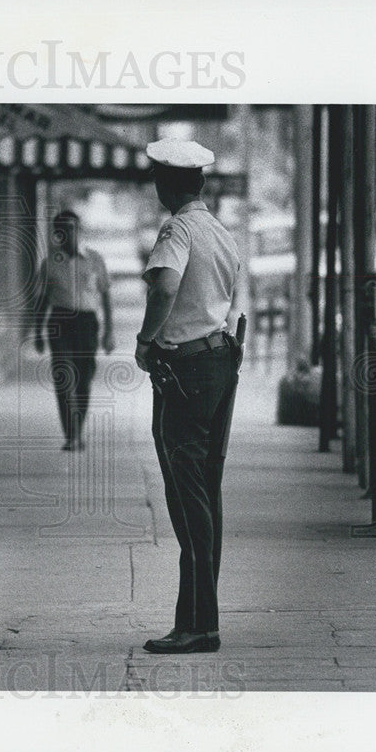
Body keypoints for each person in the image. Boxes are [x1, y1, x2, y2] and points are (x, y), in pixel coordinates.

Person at [134, 139, 242, 654]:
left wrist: (146, 339)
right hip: (220, 360)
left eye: (158, 178)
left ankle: (199, 623)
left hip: (187, 370)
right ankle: (200, 617)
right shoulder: (218, 230)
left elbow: (165, 287)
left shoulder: (177, 228)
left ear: (170, 184)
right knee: (206, 492)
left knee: (188, 498)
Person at [34, 210, 115, 451]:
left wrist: (109, 331)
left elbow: (106, 295)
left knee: (83, 378)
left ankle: (78, 431)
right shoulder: (49, 264)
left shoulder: (95, 260)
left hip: (87, 323)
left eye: (73, 228)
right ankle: (70, 435)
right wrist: (37, 332)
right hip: (60, 322)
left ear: (79, 231)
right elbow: (42, 300)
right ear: (57, 234)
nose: (69, 234)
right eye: (63, 229)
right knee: (63, 379)